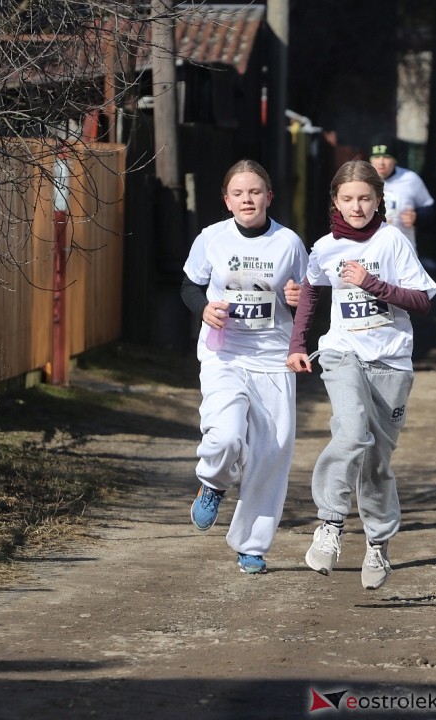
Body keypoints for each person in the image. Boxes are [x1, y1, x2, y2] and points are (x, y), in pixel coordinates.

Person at [286, 160, 436, 590]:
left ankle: (378, 543)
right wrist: (298, 346)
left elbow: (422, 302)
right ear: (334, 200)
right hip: (342, 353)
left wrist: (373, 284)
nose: (357, 207)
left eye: (365, 199)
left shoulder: (393, 241)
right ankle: (330, 525)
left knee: (376, 463)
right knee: (351, 432)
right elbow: (311, 296)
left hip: (391, 361)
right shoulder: (324, 247)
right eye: (348, 199)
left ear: (378, 201)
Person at [181, 159, 308, 575]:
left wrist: (298, 297)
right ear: (227, 200)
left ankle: (251, 545)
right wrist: (204, 309)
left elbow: (310, 297)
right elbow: (189, 286)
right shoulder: (210, 239)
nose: (247, 199)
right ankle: (213, 481)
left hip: (273, 358)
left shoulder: (288, 242)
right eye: (238, 193)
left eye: (255, 192)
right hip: (225, 354)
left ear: (269, 197)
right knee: (226, 435)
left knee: (272, 453)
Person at [369, 138, 435, 253]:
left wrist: (416, 217)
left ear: (395, 160)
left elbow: (429, 208)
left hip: (403, 252)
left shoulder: (410, 178)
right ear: (370, 160)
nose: (381, 162)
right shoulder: (362, 180)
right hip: (371, 251)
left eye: (387, 157)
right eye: (376, 157)